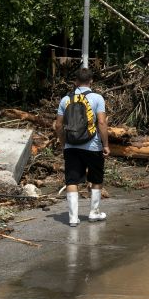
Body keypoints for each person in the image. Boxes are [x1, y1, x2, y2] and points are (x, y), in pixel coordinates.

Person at [54, 68, 110, 227]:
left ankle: (72, 218)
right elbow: (101, 123)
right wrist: (105, 144)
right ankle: (94, 213)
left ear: (75, 82)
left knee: (72, 179)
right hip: (93, 146)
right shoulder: (97, 98)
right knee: (96, 178)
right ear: (91, 81)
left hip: (71, 146)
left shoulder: (65, 99)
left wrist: (64, 143)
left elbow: (58, 125)